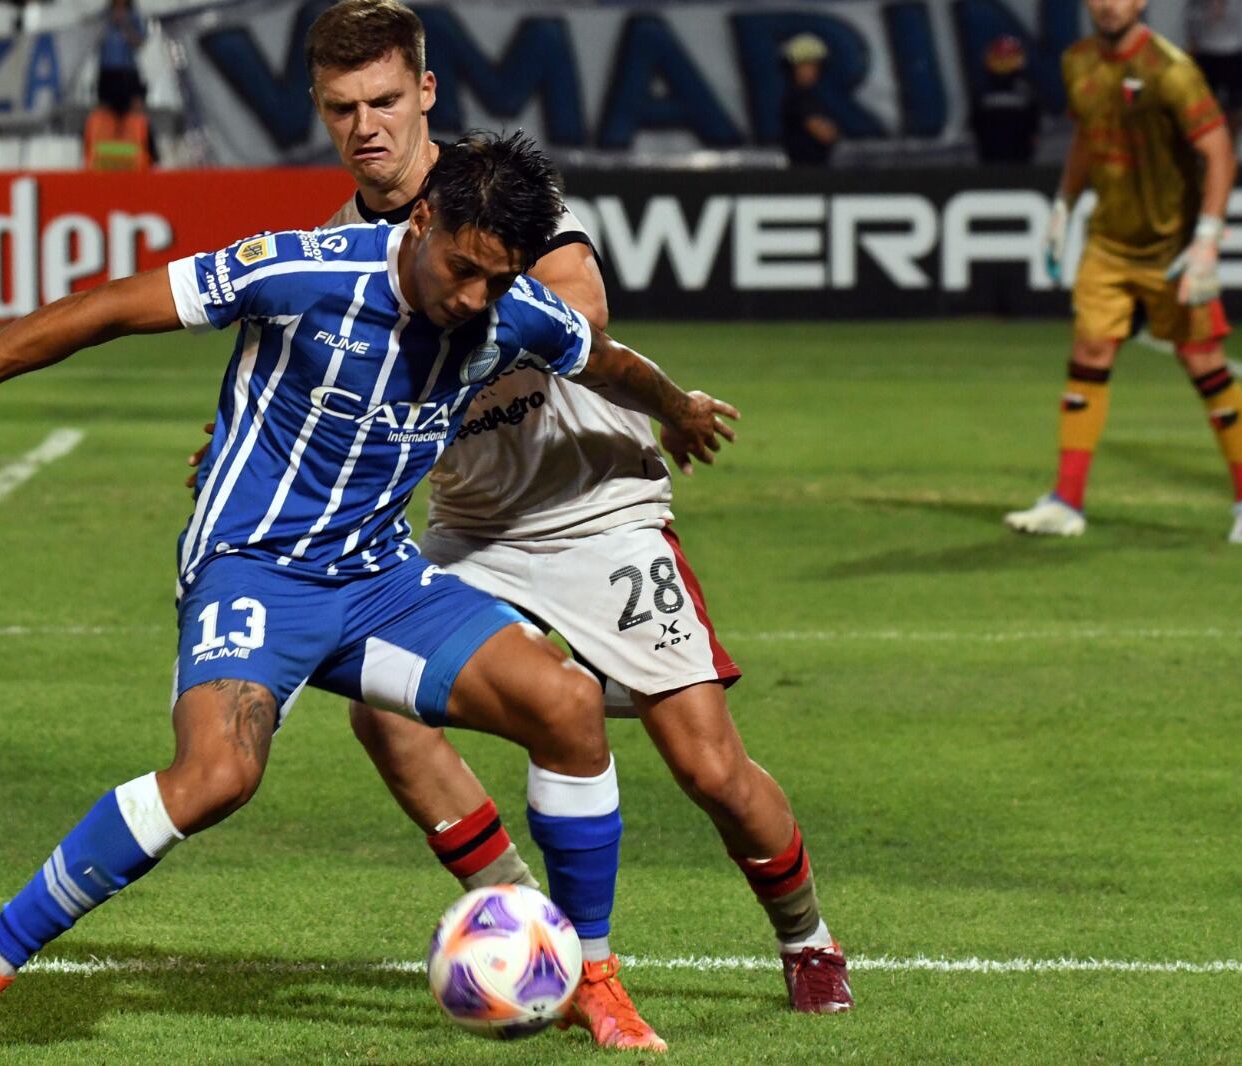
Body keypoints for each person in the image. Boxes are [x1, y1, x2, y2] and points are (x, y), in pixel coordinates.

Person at [0, 131, 736, 1062]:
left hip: (378, 578)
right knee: (216, 779)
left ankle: (591, 982)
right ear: (422, 221)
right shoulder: (299, 269)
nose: (471, 300)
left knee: (567, 706)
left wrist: (678, 406)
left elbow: (605, 359)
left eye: (495, 281)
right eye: (461, 270)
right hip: (253, 567)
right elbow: (102, 311)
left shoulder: (514, 315)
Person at [194, 0, 855, 1041]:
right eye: (341, 108)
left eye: (382, 100)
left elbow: (578, 299)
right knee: (386, 714)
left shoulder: (501, 195)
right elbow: (302, 374)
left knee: (707, 765)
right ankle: (529, 924)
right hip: (471, 527)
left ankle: (806, 937)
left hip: (597, 506)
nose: (366, 126)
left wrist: (489, 332)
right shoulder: (333, 247)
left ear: (424, 94)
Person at [1006, 0, 1242, 543]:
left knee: (1204, 363)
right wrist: (1063, 205)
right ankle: (1066, 503)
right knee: (1089, 354)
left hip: (1172, 248)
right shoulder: (1077, 62)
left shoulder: (1171, 70)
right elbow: (1087, 135)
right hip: (1110, 243)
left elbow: (1218, 152)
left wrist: (1207, 241)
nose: (1107, 4)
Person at [1186, 0, 1242, 145]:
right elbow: (1190, 20)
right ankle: (1209, 148)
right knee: (1205, 107)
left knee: (1235, 106)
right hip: (1206, 51)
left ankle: (1230, 147)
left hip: (1233, 50)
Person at [971, 36, 1041, 164]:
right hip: (991, 158)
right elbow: (976, 123)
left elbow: (1033, 126)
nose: (1003, 64)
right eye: (1000, 60)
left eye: (1008, 60)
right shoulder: (983, 89)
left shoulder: (1026, 90)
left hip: (1019, 159)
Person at [779, 33, 839, 166]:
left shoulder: (808, 96)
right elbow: (825, 134)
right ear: (793, 68)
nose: (813, 70)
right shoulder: (798, 97)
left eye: (816, 65)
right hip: (806, 174)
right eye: (806, 65)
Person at [96, 0, 146, 115]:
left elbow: (139, 42)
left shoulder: (135, 16)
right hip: (107, 70)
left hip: (127, 70)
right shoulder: (103, 15)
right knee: (106, 111)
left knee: (132, 110)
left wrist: (124, 24)